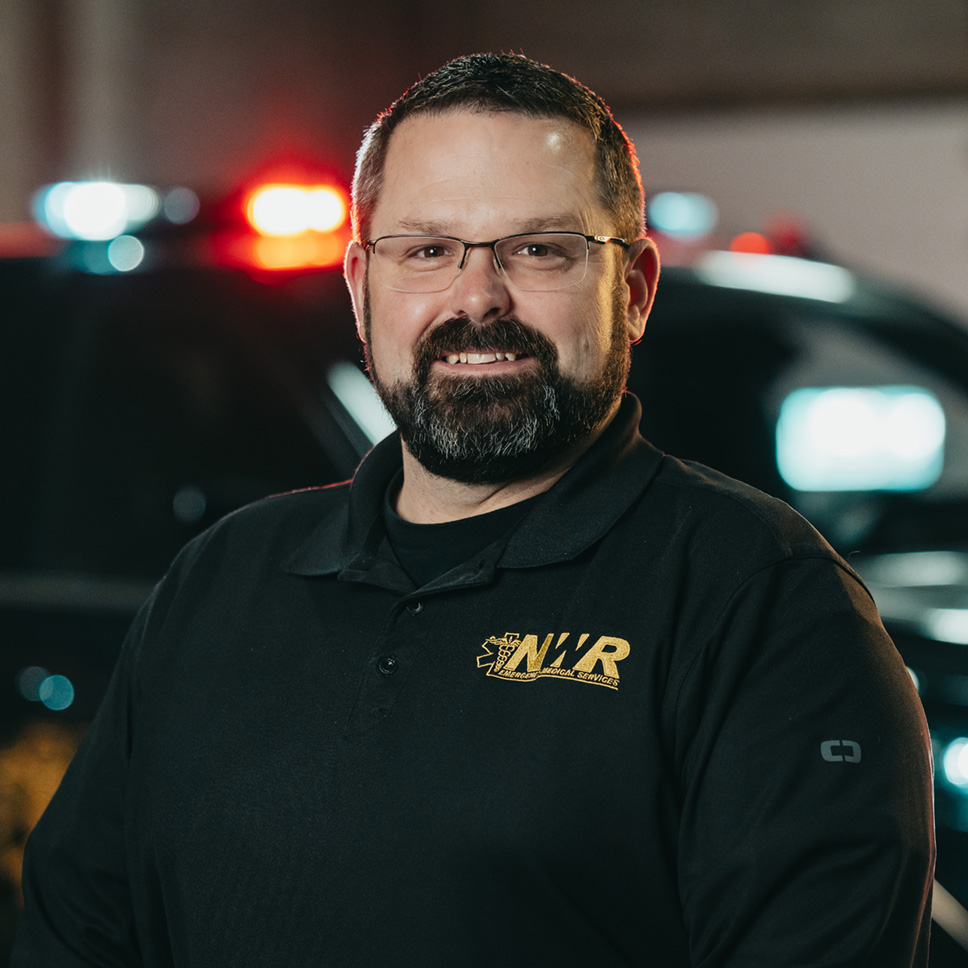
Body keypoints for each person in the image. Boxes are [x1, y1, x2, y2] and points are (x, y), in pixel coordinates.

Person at [12, 52, 934, 967]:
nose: (478, 297)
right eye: (427, 250)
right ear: (361, 289)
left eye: (538, 249)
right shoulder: (221, 581)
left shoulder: (761, 603)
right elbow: (76, 933)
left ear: (634, 291)